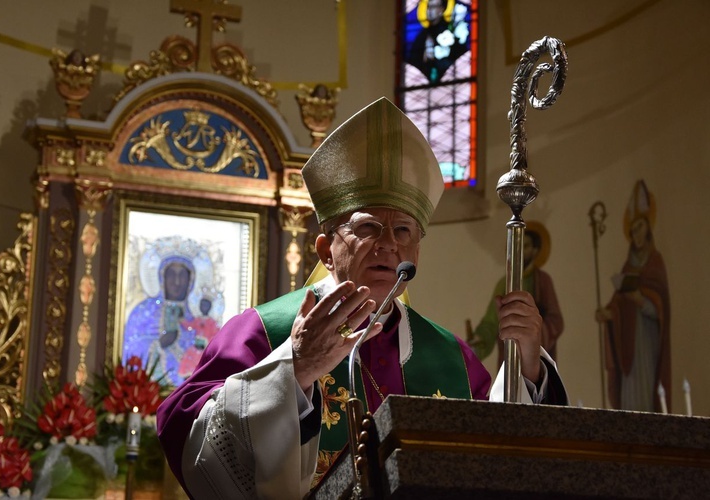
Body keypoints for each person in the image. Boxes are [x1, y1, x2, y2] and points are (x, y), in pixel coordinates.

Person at [157, 97, 568, 499]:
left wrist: (527, 368)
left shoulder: (451, 358)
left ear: (417, 252)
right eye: (369, 227)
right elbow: (184, 430)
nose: (389, 244)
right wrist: (293, 371)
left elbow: (496, 458)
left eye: (404, 230)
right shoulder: (263, 331)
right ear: (325, 250)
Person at [595, 180, 670, 412]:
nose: (636, 234)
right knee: (629, 392)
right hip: (628, 341)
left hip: (647, 339)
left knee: (646, 387)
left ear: (648, 227)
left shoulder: (655, 261)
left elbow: (661, 307)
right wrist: (609, 313)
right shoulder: (629, 265)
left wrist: (643, 301)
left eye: (639, 227)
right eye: (633, 230)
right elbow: (619, 300)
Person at [468, 221, 564, 366]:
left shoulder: (543, 280)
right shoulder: (504, 284)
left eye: (526, 246)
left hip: (536, 358)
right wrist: (479, 342)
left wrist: (533, 331)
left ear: (535, 250)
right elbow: (491, 322)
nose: (521, 252)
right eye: (517, 247)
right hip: (509, 357)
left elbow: (556, 321)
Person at [123, 257, 196, 387]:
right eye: (171, 275)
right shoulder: (143, 312)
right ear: (162, 278)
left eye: (182, 276)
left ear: (190, 281)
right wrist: (159, 343)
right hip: (147, 396)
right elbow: (131, 346)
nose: (177, 282)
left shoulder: (197, 322)